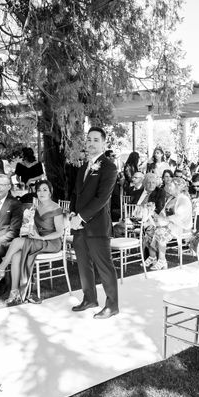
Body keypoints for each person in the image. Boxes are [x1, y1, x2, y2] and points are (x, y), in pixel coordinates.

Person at [0, 180, 66, 304]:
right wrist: (32, 228)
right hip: (38, 240)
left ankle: (0, 269)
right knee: (16, 255)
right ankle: (14, 292)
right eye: (39, 190)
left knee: (17, 241)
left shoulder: (56, 208)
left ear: (50, 192)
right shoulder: (37, 207)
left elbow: (60, 232)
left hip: (52, 243)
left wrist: (41, 238)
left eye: (45, 190)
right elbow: (33, 226)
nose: (41, 192)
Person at [70, 126, 119, 319]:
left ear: (104, 143)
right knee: (83, 265)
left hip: (97, 226)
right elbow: (76, 193)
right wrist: (73, 214)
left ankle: (112, 305)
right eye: (89, 139)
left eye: (96, 140)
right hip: (79, 226)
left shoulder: (109, 167)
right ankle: (89, 298)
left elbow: (101, 198)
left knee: (104, 266)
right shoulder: (83, 167)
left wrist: (80, 217)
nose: (91, 143)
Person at [143, 177, 192, 271]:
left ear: (177, 187)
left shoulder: (184, 199)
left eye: (171, 185)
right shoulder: (171, 198)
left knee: (160, 232)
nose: (169, 187)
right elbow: (163, 212)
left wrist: (164, 220)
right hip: (169, 224)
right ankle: (152, 257)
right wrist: (157, 215)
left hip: (180, 227)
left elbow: (179, 217)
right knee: (149, 229)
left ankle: (162, 260)